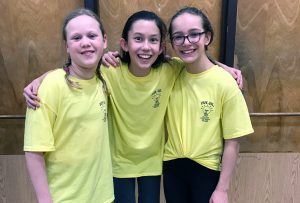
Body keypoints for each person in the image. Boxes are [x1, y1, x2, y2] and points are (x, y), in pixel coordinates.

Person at [23, 10, 243, 203]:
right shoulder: (109, 70)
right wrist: (41, 80)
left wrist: (224, 67)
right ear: (124, 44)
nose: (145, 47)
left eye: (153, 40)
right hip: (118, 165)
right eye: (138, 39)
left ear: (161, 47)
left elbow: (197, 61)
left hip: (154, 163)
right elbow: (77, 70)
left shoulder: (169, 70)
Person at [162, 7, 254, 203]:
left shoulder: (225, 82)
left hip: (206, 170)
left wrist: (222, 189)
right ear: (172, 43)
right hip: (172, 167)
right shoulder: (172, 71)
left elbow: (233, 141)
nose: (186, 43)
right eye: (178, 37)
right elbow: (142, 60)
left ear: (207, 37)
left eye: (194, 34)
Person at [23, 8, 114, 203]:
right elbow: (34, 150)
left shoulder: (106, 79)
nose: (85, 43)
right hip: (63, 198)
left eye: (91, 35)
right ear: (66, 46)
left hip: (104, 197)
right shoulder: (50, 86)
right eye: (76, 37)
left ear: (104, 40)